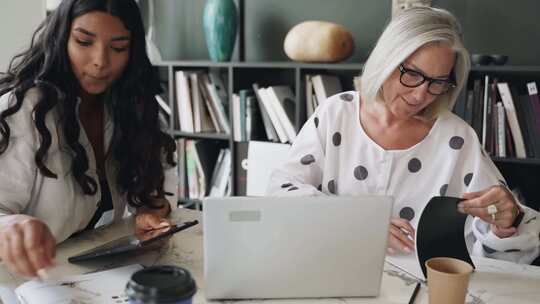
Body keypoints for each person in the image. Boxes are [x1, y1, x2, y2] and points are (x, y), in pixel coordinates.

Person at [267, 7, 540, 265]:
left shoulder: (457, 139)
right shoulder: (336, 114)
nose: (421, 94)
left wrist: (507, 221)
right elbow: (281, 192)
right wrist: (361, 221)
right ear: (386, 60)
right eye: (412, 74)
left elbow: (499, 244)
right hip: (335, 274)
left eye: (437, 82)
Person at [0, 0, 178, 277]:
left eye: (118, 47)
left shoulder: (128, 109)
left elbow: (152, 191)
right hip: (18, 283)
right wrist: (9, 227)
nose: (100, 62)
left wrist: (148, 213)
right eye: (84, 42)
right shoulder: (24, 110)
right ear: (60, 40)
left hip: (77, 275)